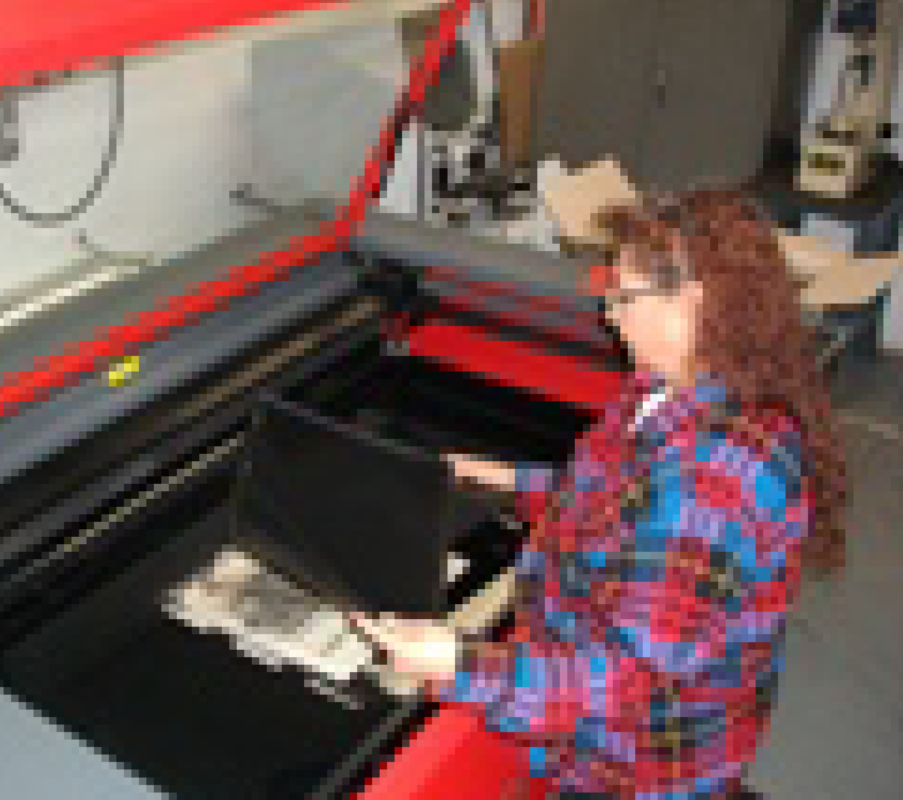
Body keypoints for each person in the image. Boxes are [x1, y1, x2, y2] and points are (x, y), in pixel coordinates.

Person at [352, 188, 847, 799]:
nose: (609, 312)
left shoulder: (715, 478)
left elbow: (627, 678)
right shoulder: (666, 389)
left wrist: (458, 662)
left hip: (637, 768)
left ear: (696, 304)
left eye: (624, 295)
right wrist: (504, 480)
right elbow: (614, 497)